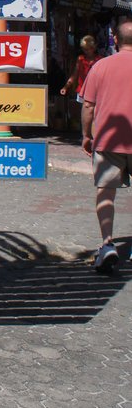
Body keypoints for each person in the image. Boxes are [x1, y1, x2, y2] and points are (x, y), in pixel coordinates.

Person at [80, 16, 132, 272]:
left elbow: (88, 106)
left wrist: (86, 135)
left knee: (105, 193)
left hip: (108, 141)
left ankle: (108, 244)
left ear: (114, 39)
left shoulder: (100, 67)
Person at [60, 35, 101, 127]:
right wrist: (66, 86)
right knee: (84, 114)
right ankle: (85, 134)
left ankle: (94, 134)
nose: (86, 51)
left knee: (95, 113)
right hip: (82, 89)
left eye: (88, 49)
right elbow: (75, 74)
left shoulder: (99, 60)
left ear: (93, 48)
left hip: (96, 90)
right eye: (84, 49)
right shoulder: (81, 59)